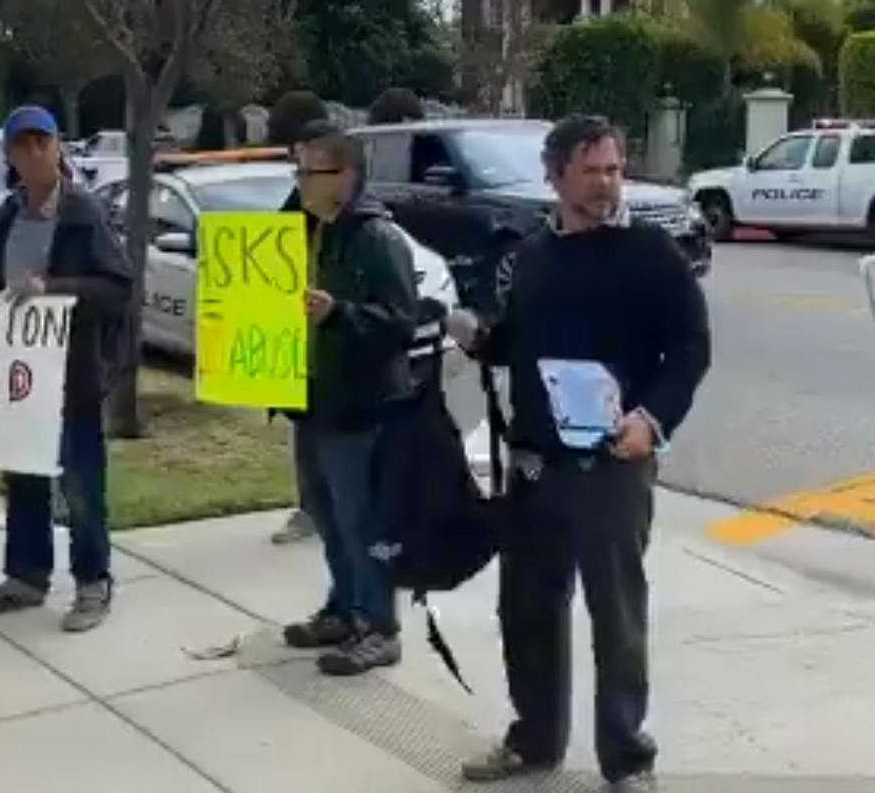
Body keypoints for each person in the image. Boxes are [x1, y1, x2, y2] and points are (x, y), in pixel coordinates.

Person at [447, 115, 712, 793]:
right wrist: (482, 337)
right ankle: (534, 740)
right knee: (528, 610)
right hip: (537, 466)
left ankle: (628, 758)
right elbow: (519, 342)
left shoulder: (653, 256)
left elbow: (689, 349)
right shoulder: (533, 257)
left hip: (613, 466)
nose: (607, 183)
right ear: (557, 175)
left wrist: (650, 421)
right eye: (592, 171)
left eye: (615, 169)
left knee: (615, 614)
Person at [0, 105, 134, 634]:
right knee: (25, 479)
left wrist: (54, 290)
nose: (34, 153)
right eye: (23, 145)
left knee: (80, 484)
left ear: (59, 147)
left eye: (43, 142)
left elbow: (118, 289)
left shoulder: (84, 212)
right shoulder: (13, 210)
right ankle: (25, 578)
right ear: (10, 156)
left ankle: (92, 582)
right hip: (19, 377)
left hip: (73, 377)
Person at [278, 121, 420, 676]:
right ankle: (343, 607)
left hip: (362, 405)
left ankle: (379, 626)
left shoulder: (376, 238)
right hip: (310, 396)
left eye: (311, 172)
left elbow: (401, 322)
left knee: (364, 520)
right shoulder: (304, 229)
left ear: (346, 176)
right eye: (299, 171)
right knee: (324, 512)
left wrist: (339, 313)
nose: (301, 182)